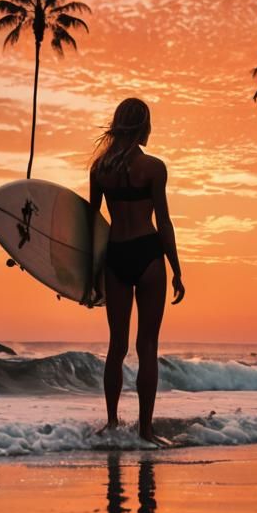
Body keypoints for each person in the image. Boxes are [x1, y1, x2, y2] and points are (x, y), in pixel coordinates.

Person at [85, 98, 184, 445]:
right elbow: (164, 222)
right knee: (148, 346)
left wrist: (87, 274)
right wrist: (176, 269)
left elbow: (92, 224)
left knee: (116, 346)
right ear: (144, 126)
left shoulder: (99, 170)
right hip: (148, 253)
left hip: (115, 256)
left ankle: (112, 425)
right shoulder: (154, 168)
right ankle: (145, 431)